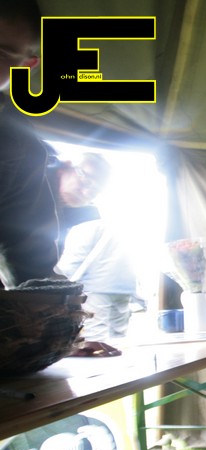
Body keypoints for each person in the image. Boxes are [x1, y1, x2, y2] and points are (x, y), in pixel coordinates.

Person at [0, 1, 59, 286]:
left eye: (1, 54)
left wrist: (55, 300)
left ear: (25, 65)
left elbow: (32, 263)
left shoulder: (18, 144)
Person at [55, 154, 137, 341]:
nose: (86, 191)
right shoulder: (113, 222)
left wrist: (57, 287)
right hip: (123, 287)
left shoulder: (88, 219)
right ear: (67, 165)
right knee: (118, 338)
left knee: (95, 338)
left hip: (95, 288)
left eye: (94, 189)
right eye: (85, 179)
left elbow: (73, 260)